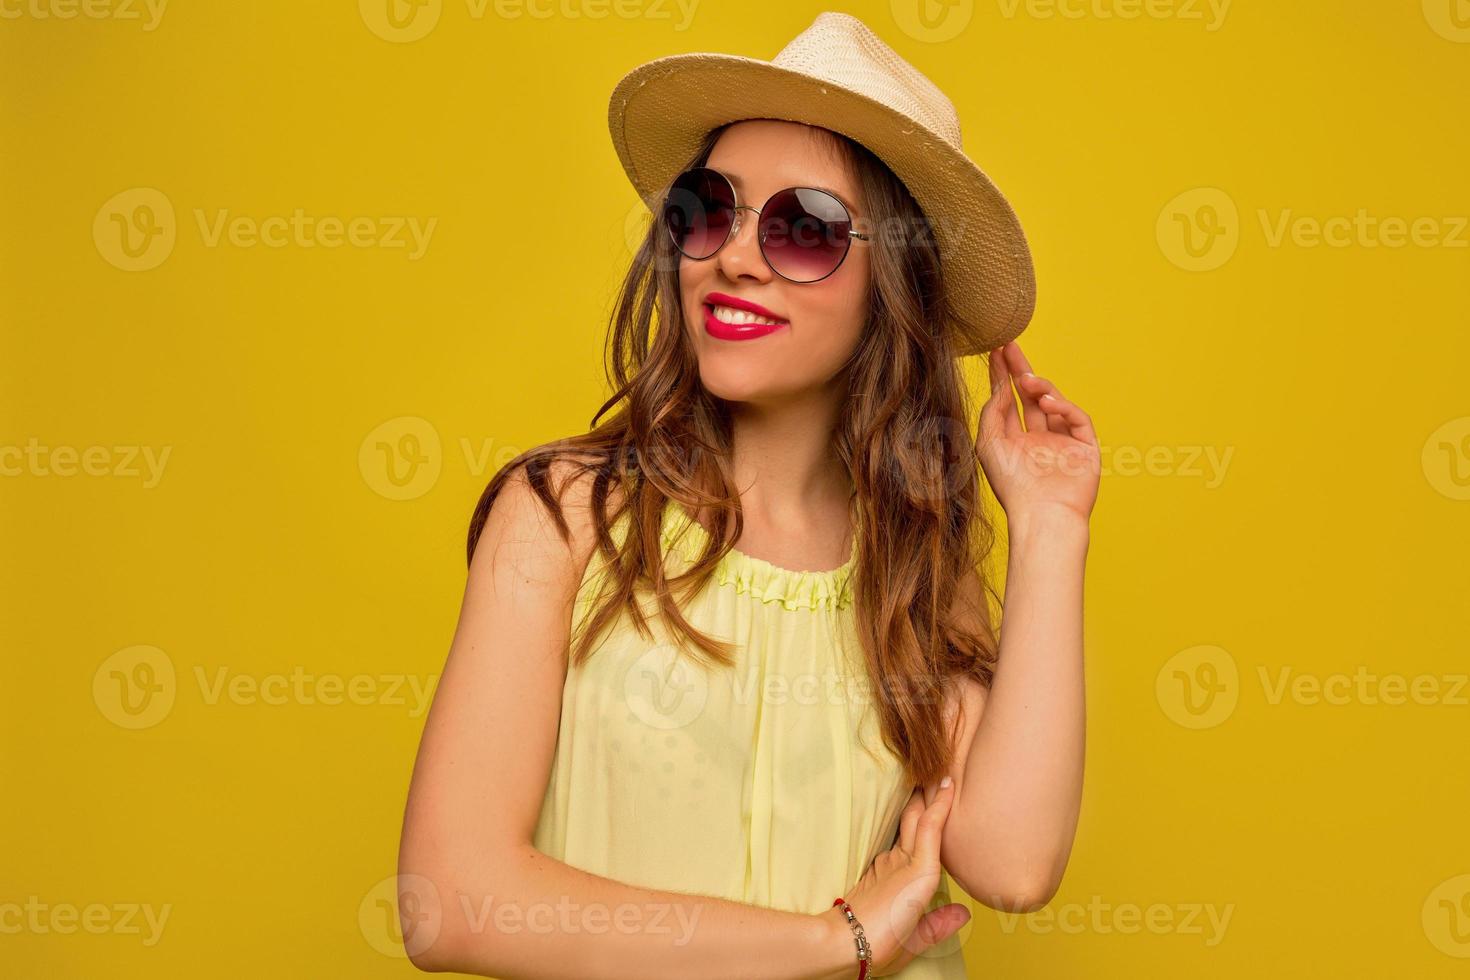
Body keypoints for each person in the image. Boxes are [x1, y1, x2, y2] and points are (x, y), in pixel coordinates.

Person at [398, 12, 1097, 979]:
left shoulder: (912, 570)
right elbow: (450, 903)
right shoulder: (565, 518)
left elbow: (1013, 864)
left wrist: (1051, 525)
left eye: (803, 228)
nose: (732, 255)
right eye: (707, 209)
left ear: (889, 284)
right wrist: (828, 944)